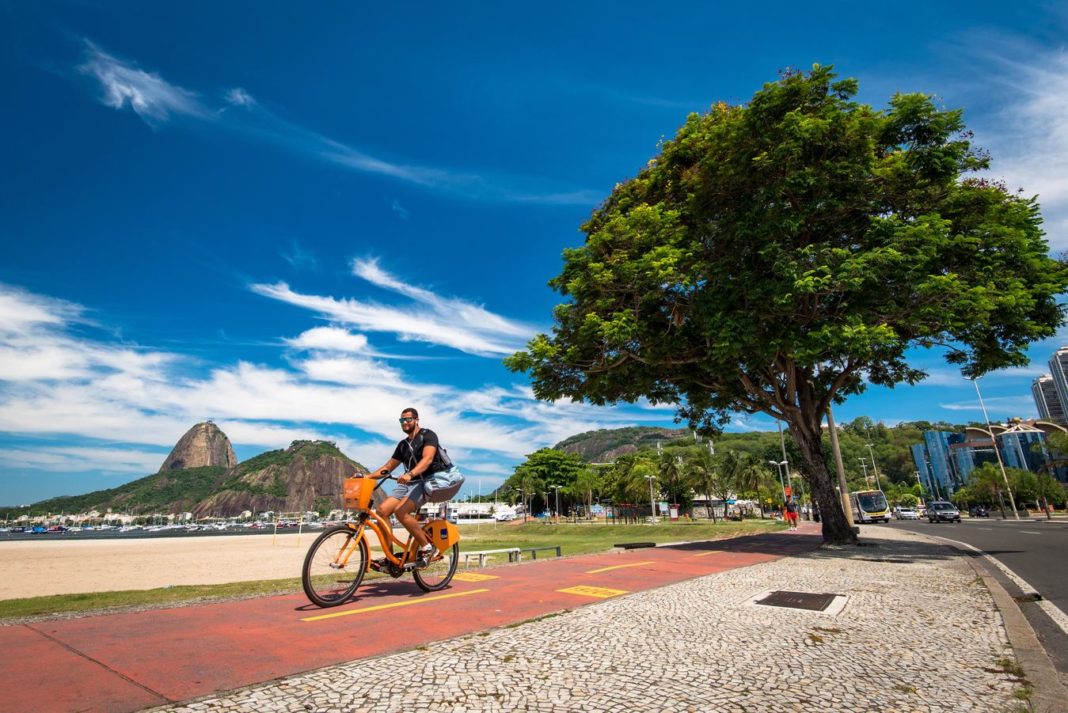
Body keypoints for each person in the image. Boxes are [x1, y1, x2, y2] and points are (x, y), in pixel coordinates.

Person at [367, 408, 450, 568]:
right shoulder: (403, 445)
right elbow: (388, 467)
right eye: (402, 420)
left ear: (417, 419)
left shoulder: (428, 435)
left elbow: (427, 459)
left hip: (427, 481)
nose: (405, 423)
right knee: (382, 511)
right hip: (409, 482)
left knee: (401, 512)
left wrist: (410, 474)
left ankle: (427, 547)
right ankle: (390, 557)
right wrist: (367, 477)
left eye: (408, 419)